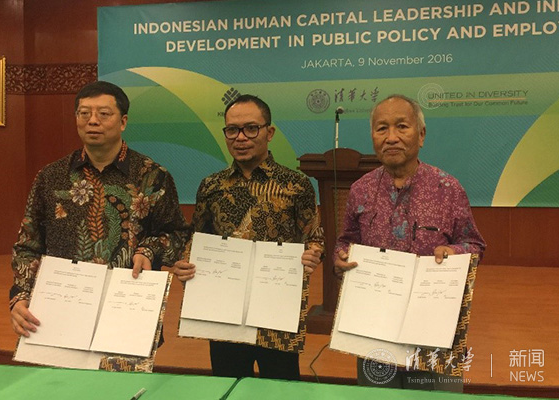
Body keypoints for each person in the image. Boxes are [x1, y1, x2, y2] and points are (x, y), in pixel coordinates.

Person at [10, 81, 190, 339]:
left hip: (129, 311)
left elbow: (177, 235)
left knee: (123, 367)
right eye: (84, 113)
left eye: (104, 114)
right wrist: (21, 295)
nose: (92, 121)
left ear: (123, 122)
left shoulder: (151, 176)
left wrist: (148, 250)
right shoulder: (51, 177)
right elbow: (28, 244)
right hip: (60, 313)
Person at [333, 94, 486, 391]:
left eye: (402, 126)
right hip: (374, 329)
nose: (391, 137)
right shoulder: (360, 190)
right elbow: (346, 241)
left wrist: (453, 251)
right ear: (373, 136)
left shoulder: (447, 188)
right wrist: (340, 257)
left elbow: (475, 245)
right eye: (382, 128)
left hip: (434, 331)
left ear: (421, 135)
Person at [173, 94, 325, 380]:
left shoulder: (296, 185)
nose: (240, 137)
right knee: (229, 384)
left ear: (269, 132)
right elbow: (197, 238)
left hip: (277, 310)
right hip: (223, 310)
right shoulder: (211, 186)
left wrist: (313, 253)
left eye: (251, 129)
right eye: (232, 130)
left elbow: (315, 236)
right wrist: (185, 262)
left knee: (281, 388)